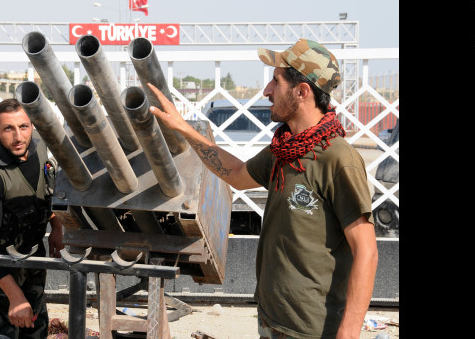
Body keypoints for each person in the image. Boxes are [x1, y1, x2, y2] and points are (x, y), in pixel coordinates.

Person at [147, 38, 378, 339]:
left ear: (302, 91)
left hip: (312, 330)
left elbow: (367, 251)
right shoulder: (284, 150)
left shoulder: (338, 159)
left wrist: (348, 332)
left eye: (275, 82)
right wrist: (185, 129)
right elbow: (238, 174)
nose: (267, 91)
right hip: (272, 320)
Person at [0, 98, 65, 339]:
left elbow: (46, 192)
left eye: (23, 126)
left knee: (35, 325)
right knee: (3, 332)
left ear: (32, 125)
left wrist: (56, 224)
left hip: (33, 254)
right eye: (8, 129)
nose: (18, 137)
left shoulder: (40, 147)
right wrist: (15, 296)